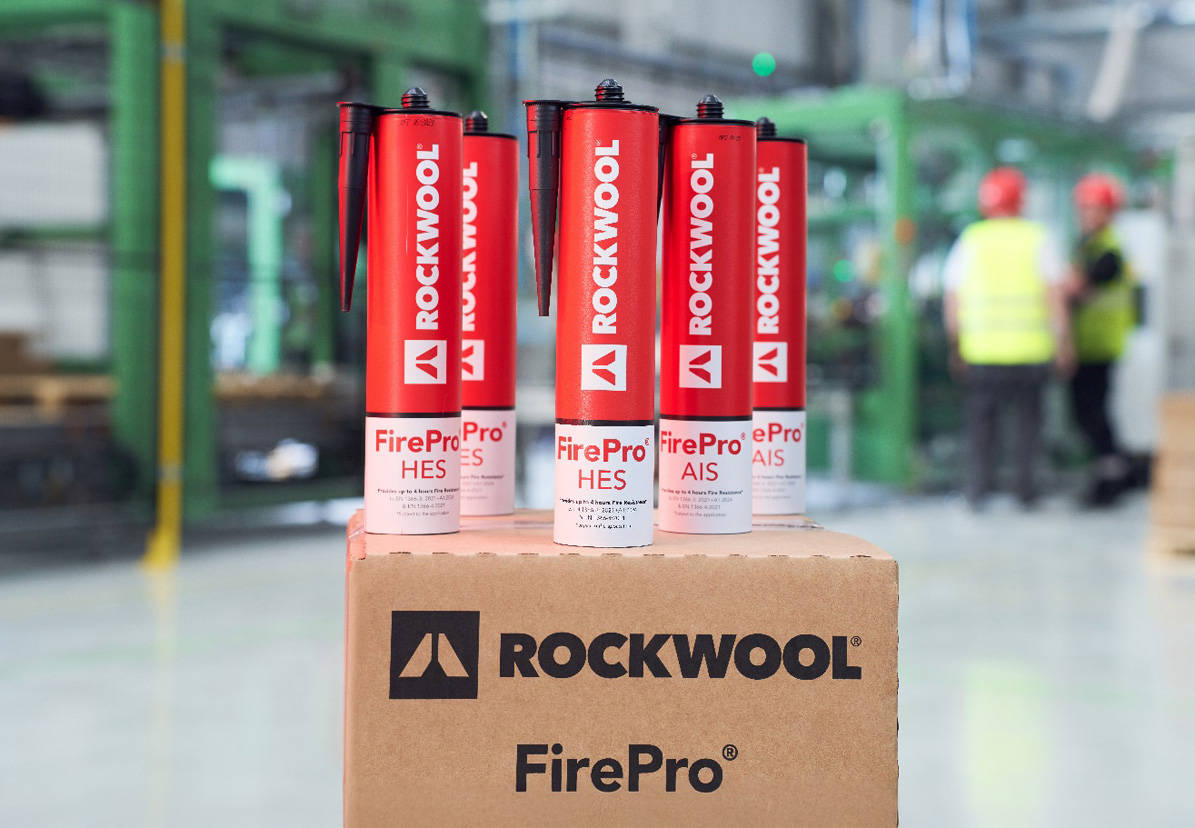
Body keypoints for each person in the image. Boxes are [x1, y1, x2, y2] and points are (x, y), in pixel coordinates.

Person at [943, 167, 1074, 510]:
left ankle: (977, 490)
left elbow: (952, 298)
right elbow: (1055, 297)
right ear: (1021, 201)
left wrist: (955, 345)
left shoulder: (972, 239)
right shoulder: (1038, 238)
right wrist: (1064, 343)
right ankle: (1026, 492)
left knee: (982, 426)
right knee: (1029, 427)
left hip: (982, 353)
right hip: (1030, 353)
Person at [1067, 173, 1135, 506]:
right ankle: (1114, 471)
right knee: (1086, 414)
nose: (1087, 215)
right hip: (1085, 347)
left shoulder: (1109, 251)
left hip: (1100, 348)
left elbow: (1077, 287)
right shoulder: (1088, 245)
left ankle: (1113, 477)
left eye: (1094, 209)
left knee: (1093, 414)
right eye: (1084, 208)